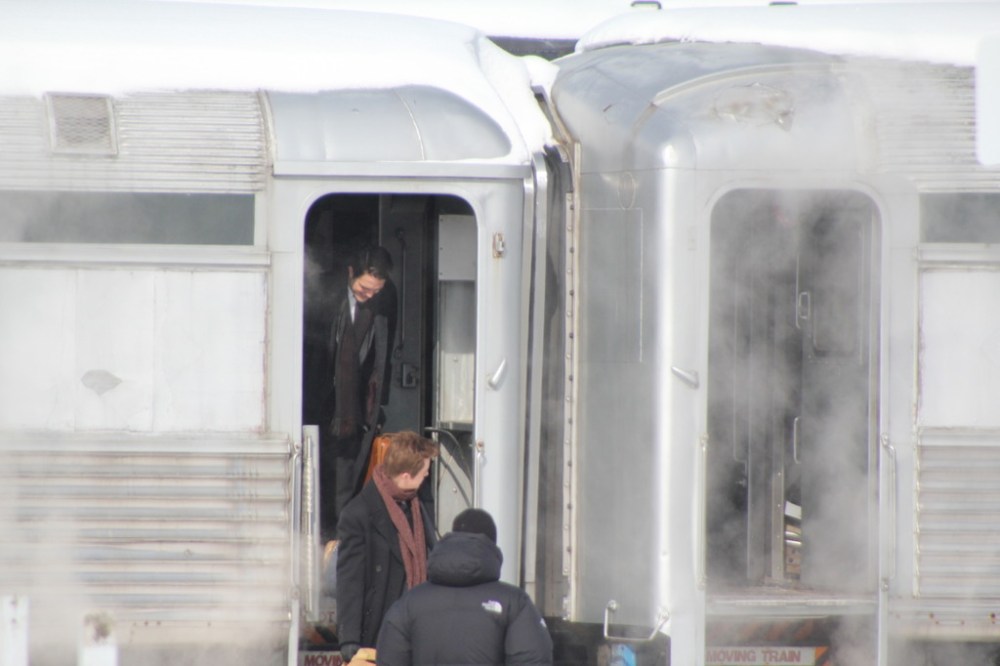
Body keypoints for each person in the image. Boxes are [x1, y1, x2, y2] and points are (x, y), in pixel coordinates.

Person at [376, 508, 554, 666]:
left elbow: (390, 659)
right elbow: (532, 659)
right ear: (491, 545)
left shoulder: (408, 604)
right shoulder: (515, 603)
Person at [335, 430, 439, 663]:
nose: (427, 474)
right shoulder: (358, 514)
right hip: (381, 628)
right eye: (424, 471)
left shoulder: (418, 501)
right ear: (406, 476)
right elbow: (350, 580)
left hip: (418, 625)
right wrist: (349, 640)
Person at [318, 245, 398, 541]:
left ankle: (343, 539)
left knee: (351, 474)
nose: (369, 295)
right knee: (324, 474)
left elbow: (383, 357)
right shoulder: (328, 293)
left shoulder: (386, 298)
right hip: (324, 399)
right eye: (364, 289)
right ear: (351, 273)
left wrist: (377, 404)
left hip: (359, 406)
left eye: (376, 290)